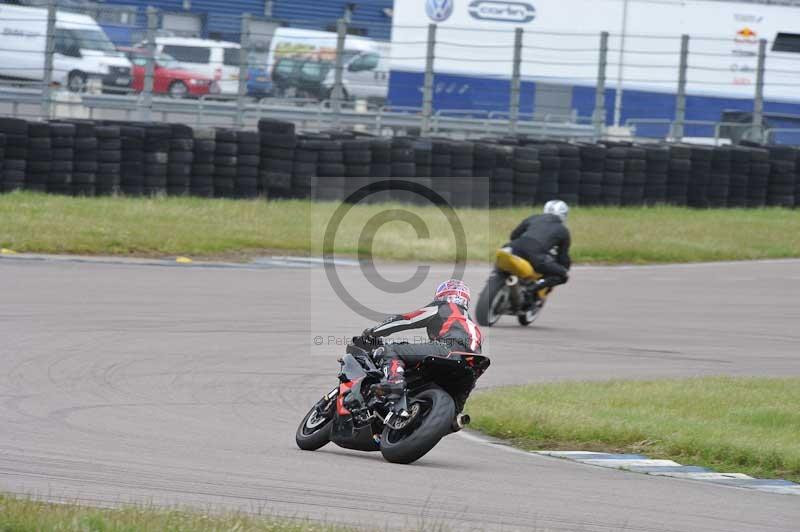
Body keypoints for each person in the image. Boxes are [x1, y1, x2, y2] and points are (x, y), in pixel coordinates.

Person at [362, 279, 482, 411]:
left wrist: (373, 332)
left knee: (391, 350)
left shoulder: (443, 306)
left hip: (448, 348)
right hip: (473, 363)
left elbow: (406, 320)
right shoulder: (471, 323)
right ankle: (455, 414)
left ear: (442, 295)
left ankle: (394, 382)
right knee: (456, 408)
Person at [507, 199, 572, 294]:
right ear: (563, 215)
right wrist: (564, 267)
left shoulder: (533, 218)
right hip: (536, 255)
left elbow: (513, 236)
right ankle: (530, 290)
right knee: (563, 275)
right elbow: (563, 258)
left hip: (513, 247)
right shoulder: (563, 230)